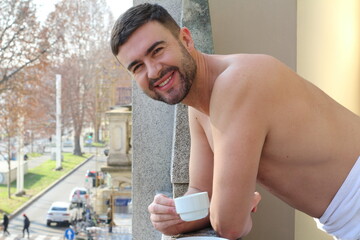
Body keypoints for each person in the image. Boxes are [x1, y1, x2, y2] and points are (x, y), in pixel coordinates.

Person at [110, 3, 360, 240]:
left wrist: (231, 206)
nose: (153, 71)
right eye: (137, 67)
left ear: (186, 39)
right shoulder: (198, 108)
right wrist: (172, 214)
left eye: (157, 51)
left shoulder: (235, 83)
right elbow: (201, 192)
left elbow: (230, 224)